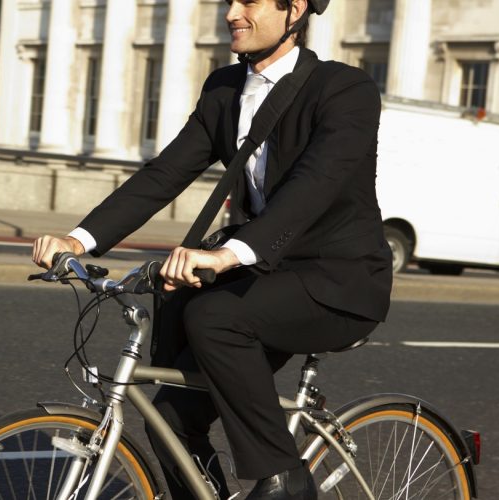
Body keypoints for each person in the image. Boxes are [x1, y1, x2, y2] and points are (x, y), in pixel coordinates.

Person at [32, 0, 392, 498]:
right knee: (168, 415)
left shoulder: (344, 89)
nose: (231, 13)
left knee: (216, 317)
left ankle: (284, 479)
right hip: (267, 277)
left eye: (250, 1)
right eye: (229, 1)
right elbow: (165, 173)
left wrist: (230, 253)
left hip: (340, 281)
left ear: (296, 10)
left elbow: (315, 184)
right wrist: (80, 239)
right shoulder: (224, 89)